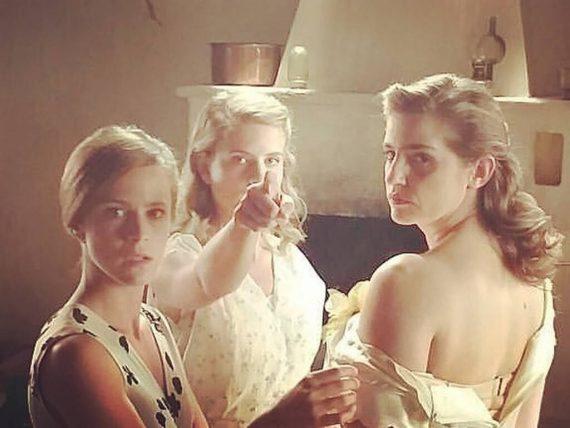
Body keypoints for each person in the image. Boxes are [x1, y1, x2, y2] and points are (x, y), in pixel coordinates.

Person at [325, 74, 564, 427]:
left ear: (479, 171)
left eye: (421, 158)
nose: (396, 176)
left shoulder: (407, 280)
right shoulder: (532, 276)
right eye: (390, 154)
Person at [150, 91, 359, 427]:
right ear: (204, 167)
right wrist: (243, 224)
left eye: (271, 160)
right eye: (240, 159)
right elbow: (206, 283)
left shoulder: (291, 261)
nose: (258, 175)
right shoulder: (175, 256)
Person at [28, 125, 207, 427]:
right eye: (116, 212)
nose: (138, 233)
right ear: (77, 222)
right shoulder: (77, 353)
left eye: (155, 213)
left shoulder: (155, 324)